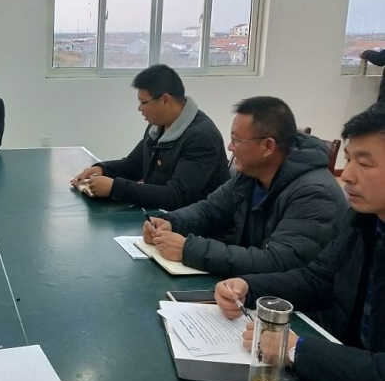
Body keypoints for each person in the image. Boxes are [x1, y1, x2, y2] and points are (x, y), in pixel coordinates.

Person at [215, 104, 385, 381]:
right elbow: (318, 279)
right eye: (348, 159)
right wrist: (249, 287)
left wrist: (296, 349)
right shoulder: (364, 221)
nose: (347, 175)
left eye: (364, 163)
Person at [143, 96, 348, 277]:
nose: (230, 147)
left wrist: (189, 250)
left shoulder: (314, 194)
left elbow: (277, 261)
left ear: (267, 146)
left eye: (236, 140)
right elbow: (210, 210)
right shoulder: (251, 175)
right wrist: (171, 222)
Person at [70, 64, 229, 209]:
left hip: (197, 226)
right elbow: (135, 164)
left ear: (165, 100)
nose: (140, 108)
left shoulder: (202, 137)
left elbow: (176, 196)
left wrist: (115, 188)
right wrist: (102, 169)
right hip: (163, 217)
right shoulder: (158, 126)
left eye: (143, 102)